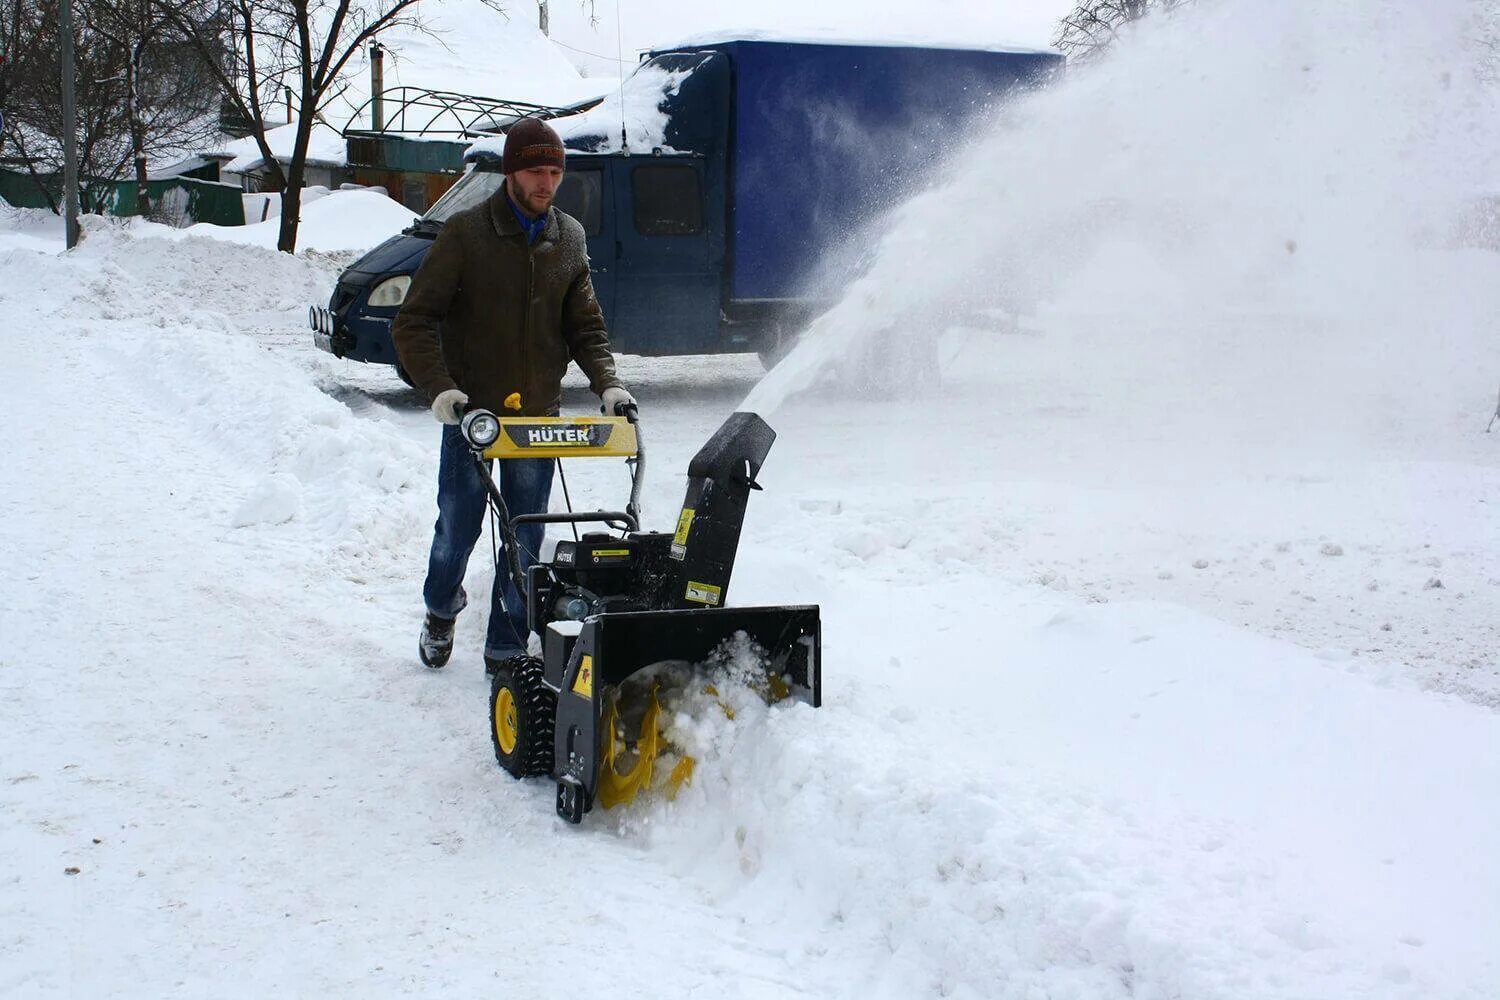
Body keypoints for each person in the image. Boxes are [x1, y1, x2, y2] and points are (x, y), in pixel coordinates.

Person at [393, 117, 635, 676]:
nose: (546, 182)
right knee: (458, 527)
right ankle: (439, 608)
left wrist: (609, 384)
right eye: (534, 171)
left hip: (537, 423)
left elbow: (586, 328)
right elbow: (414, 322)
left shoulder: (568, 237)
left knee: (526, 533)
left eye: (554, 171)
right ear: (510, 172)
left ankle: (504, 643)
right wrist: (443, 390)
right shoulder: (465, 234)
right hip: (472, 417)